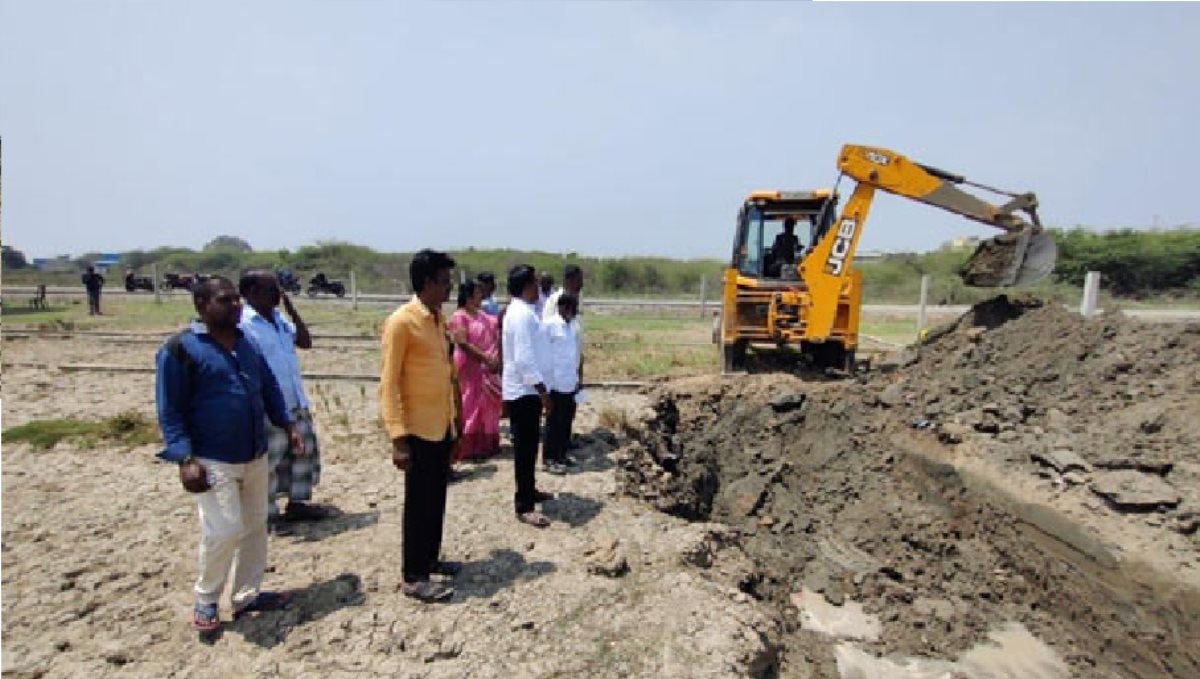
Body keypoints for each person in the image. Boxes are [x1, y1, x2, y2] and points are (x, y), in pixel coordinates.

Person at [155, 276, 303, 634]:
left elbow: (267, 386)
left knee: (255, 525)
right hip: (211, 458)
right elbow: (170, 411)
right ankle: (206, 599)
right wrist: (185, 460)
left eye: (237, 300)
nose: (236, 305)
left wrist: (287, 424)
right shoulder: (180, 350)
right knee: (223, 529)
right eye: (226, 300)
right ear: (202, 305)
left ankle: (247, 596)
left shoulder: (246, 343)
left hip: (254, 453)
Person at [379, 249, 462, 602]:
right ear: (427, 283)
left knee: (436, 498)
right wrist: (398, 437)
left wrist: (455, 424)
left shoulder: (438, 319)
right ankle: (413, 575)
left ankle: (430, 558)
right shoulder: (402, 322)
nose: (449, 289)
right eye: (444, 282)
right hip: (417, 431)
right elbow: (389, 383)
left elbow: (446, 373)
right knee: (418, 503)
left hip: (441, 425)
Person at [238, 270, 329, 528]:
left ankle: (298, 503)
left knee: (301, 453)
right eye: (271, 290)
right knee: (270, 459)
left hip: (294, 399)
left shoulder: (278, 319)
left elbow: (305, 341)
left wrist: (291, 310)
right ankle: (266, 514)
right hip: (269, 404)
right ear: (251, 293)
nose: (277, 295)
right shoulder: (244, 324)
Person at [502, 264, 555, 528]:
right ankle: (524, 505)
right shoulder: (521, 315)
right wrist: (543, 391)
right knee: (524, 449)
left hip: (529, 390)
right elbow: (524, 359)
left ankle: (530, 490)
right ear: (526, 286)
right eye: (535, 283)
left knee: (531, 444)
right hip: (525, 391)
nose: (538, 288)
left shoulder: (524, 311)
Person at [448, 280, 502, 461]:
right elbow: (462, 343)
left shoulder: (482, 315)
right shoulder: (459, 316)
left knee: (488, 407)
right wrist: (484, 358)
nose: (481, 296)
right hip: (470, 368)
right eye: (478, 293)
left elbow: (495, 328)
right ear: (469, 296)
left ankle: (487, 444)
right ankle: (470, 447)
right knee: (471, 405)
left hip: (487, 369)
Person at [542, 265, 585, 456]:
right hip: (557, 375)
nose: (582, 283)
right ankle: (553, 452)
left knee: (569, 409)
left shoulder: (576, 302)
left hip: (572, 369)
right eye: (579, 279)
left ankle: (564, 444)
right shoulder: (554, 302)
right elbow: (547, 340)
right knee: (556, 416)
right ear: (570, 279)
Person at [542, 292, 580, 475]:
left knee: (566, 421)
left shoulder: (570, 327)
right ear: (564, 308)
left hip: (569, 382)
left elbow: (572, 355)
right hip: (555, 384)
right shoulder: (550, 325)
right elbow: (544, 356)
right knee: (553, 423)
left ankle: (561, 454)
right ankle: (549, 459)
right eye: (573, 309)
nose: (575, 313)